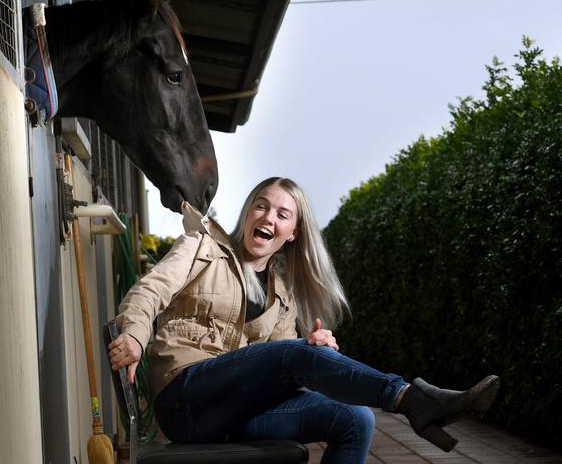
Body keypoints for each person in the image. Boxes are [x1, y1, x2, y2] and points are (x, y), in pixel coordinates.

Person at [108, 177, 499, 463]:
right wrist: (137, 335)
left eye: (282, 213)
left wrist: (314, 351)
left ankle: (412, 401)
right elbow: (150, 289)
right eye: (261, 205)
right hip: (186, 399)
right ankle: (411, 399)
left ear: (291, 233)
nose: (267, 217)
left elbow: (281, 372)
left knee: (355, 418)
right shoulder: (202, 247)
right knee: (293, 354)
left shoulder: (283, 298)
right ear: (248, 212)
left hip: (237, 414)